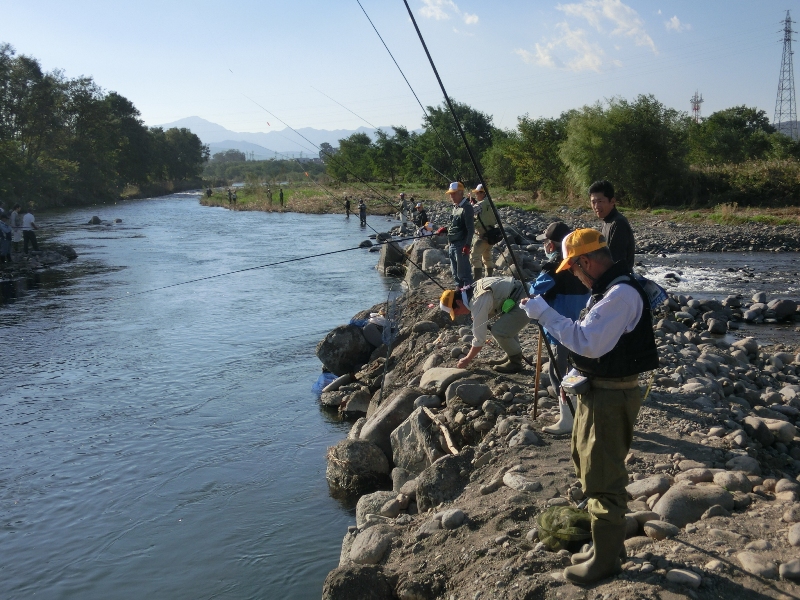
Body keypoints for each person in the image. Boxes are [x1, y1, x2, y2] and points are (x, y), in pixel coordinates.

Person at [520, 229, 658, 585]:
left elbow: (587, 342)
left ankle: (606, 562)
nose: (575, 276)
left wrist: (544, 314)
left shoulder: (620, 295)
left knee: (603, 477)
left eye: (575, 269)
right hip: (596, 393)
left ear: (586, 261)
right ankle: (606, 548)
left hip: (611, 398)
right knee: (586, 463)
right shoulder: (609, 290)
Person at [529, 222, 590, 435]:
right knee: (580, 368)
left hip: (559, 329)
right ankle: (577, 410)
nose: (544, 246)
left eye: (545, 242)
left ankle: (568, 416)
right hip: (584, 327)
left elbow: (534, 291)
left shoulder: (553, 268)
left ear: (552, 246)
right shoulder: (582, 264)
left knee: (558, 371)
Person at [439, 276, 530, 373]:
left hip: (526, 299)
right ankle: (510, 355)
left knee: (499, 331)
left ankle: (515, 363)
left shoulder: (477, 301)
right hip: (518, 293)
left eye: (455, 311)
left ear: (458, 301)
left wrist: (467, 359)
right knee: (505, 326)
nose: (457, 314)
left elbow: (479, 340)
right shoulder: (472, 290)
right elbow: (492, 302)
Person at [589, 180, 635, 269]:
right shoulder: (607, 221)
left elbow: (616, 260)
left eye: (600, 201)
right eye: (593, 202)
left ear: (612, 201)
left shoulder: (618, 223)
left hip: (620, 279)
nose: (596, 206)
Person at [437, 182, 474, 288]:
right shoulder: (456, 207)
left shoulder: (467, 208)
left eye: (453, 194)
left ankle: (468, 295)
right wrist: (446, 230)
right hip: (452, 244)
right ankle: (460, 295)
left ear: (460, 193)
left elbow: (470, 229)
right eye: (450, 194)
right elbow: (456, 226)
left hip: (461, 245)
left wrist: (467, 245)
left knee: (464, 275)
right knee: (455, 275)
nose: (451, 196)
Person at [469, 183, 497, 281]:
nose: (476, 195)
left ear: (482, 193)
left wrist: (471, 205)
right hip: (491, 234)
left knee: (474, 257)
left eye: (477, 193)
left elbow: (469, 212)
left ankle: (477, 279)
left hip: (482, 235)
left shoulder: (481, 204)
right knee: (487, 256)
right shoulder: (491, 203)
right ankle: (488, 278)